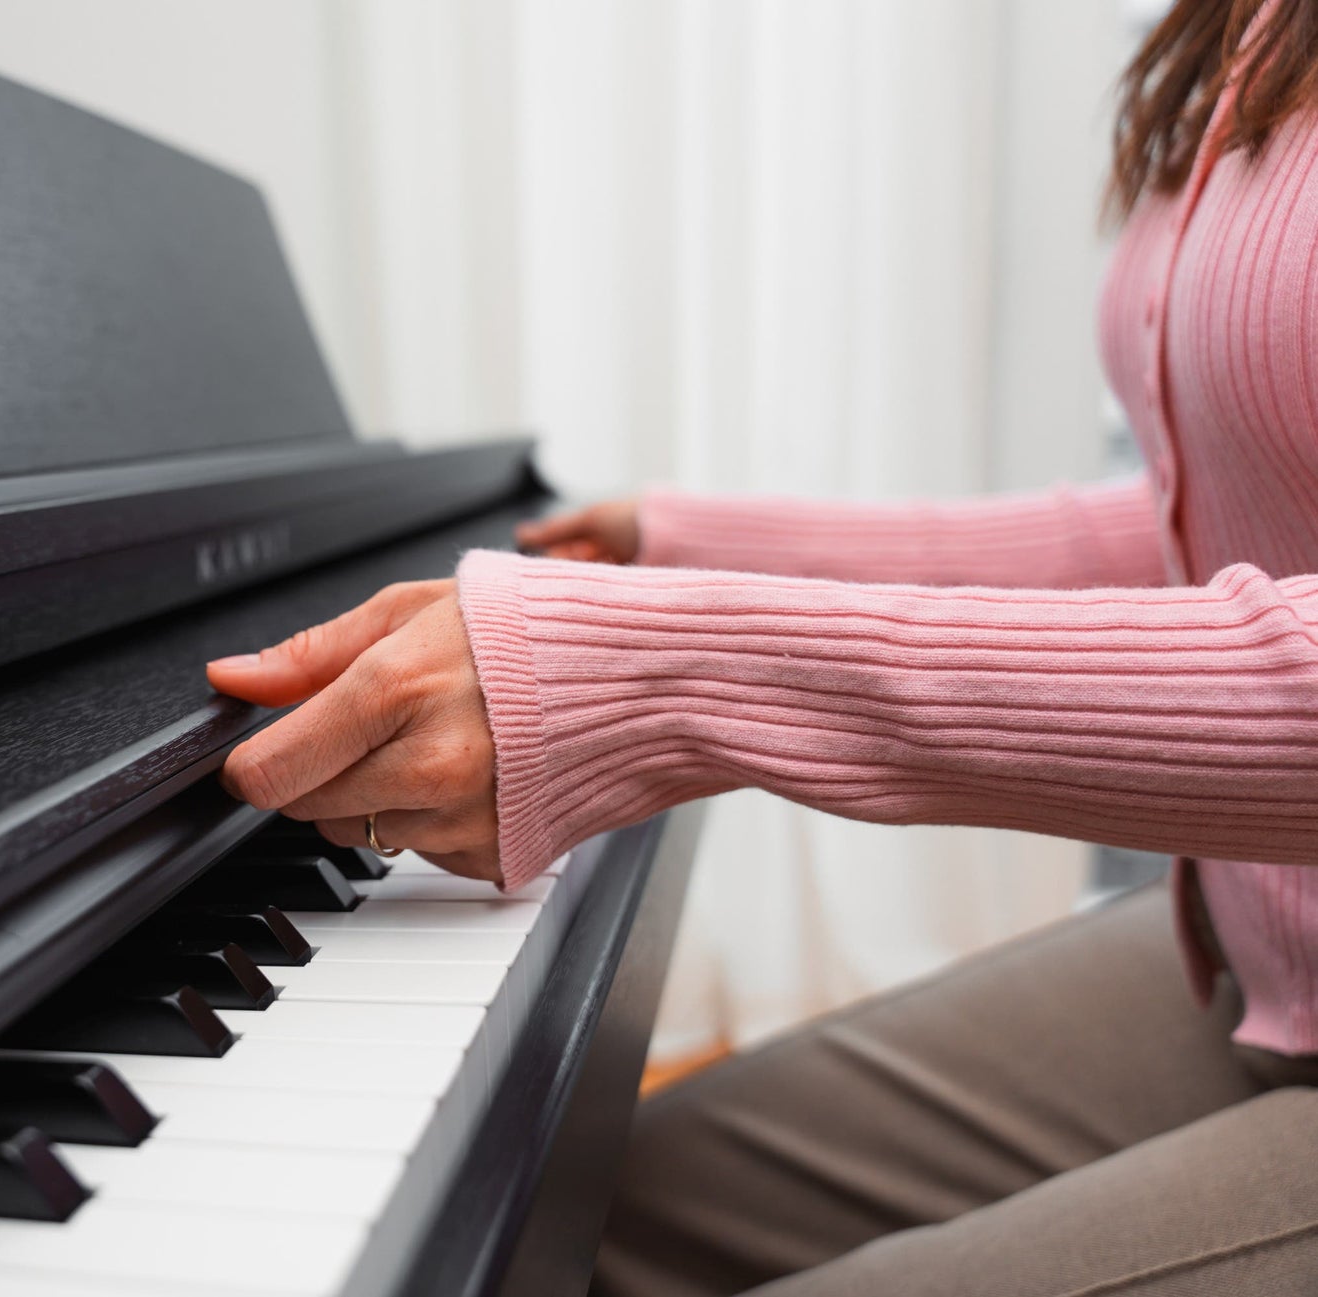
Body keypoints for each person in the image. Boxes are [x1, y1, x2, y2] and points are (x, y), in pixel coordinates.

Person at [207, 0, 1318, 1292]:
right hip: (1257, 945)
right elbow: (1216, 521)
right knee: (573, 1215)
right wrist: (695, 555)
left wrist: (668, 672)